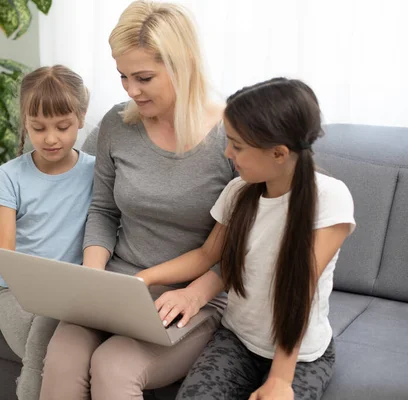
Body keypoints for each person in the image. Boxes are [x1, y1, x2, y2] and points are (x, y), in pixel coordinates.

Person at [39, 1, 235, 399]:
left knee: (114, 366)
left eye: (143, 77)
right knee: (62, 355)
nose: (130, 90)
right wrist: (92, 277)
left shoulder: (234, 135)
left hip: (190, 296)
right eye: (123, 76)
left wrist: (195, 294)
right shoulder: (118, 122)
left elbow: (246, 245)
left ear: (184, 64)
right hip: (117, 286)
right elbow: (103, 211)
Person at [137, 78, 355, 400]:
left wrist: (280, 379)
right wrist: (142, 279)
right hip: (237, 339)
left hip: (300, 355)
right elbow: (205, 255)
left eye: (237, 146)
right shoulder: (238, 192)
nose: (228, 153)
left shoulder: (329, 198)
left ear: (279, 153)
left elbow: (297, 288)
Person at [0, 65, 95, 400]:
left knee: (59, 341)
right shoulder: (10, 176)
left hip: (71, 296)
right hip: (16, 294)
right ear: (25, 123)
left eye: (62, 127)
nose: (50, 138)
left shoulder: (95, 171)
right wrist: (45, 298)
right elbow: (7, 258)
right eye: (38, 128)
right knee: (46, 351)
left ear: (81, 117)